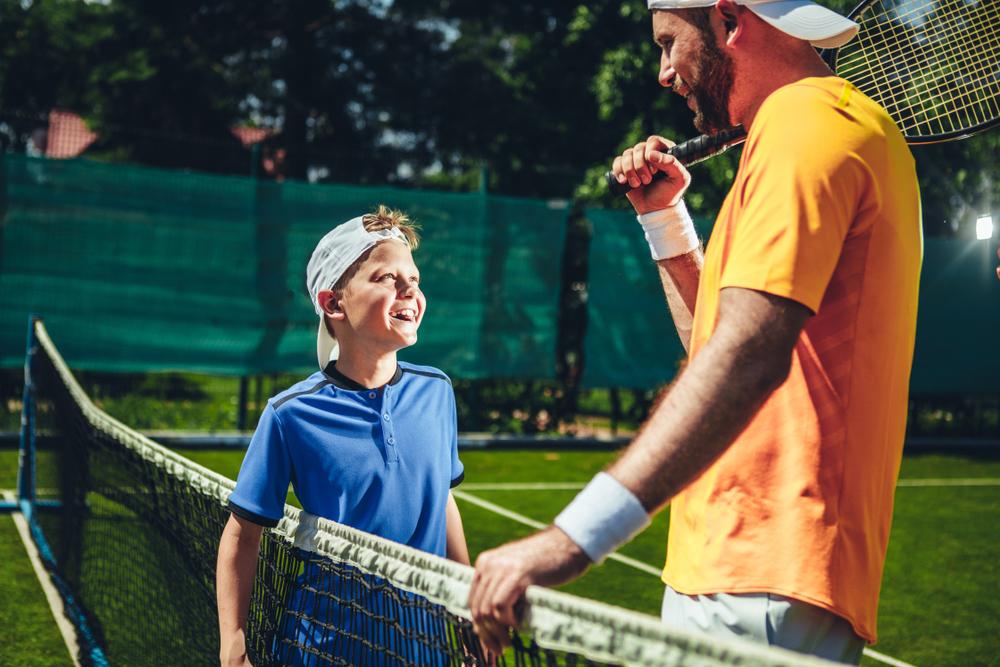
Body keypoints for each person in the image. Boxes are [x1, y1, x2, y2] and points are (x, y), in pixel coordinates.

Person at [468, 0, 922, 664]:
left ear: (730, 23)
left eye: (668, 43)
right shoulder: (799, 131)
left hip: (763, 571)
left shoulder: (807, 124)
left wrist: (569, 541)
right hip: (742, 571)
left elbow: (746, 356)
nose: (662, 72)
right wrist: (664, 221)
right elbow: (719, 347)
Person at [217, 206, 470, 666]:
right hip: (324, 648)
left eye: (412, 278)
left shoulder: (437, 391)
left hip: (423, 645)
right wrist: (233, 644)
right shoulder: (290, 414)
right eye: (386, 278)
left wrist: (467, 609)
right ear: (333, 303)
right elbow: (242, 533)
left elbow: (443, 499)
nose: (409, 288)